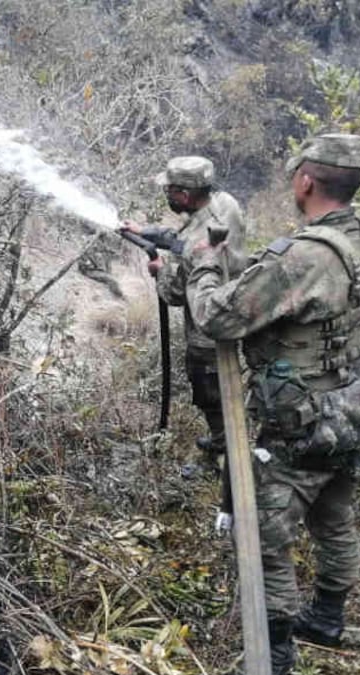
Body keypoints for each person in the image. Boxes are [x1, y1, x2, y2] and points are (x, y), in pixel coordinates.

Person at [184, 134, 360, 675]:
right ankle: (326, 618)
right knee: (334, 516)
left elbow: (219, 319)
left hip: (304, 420)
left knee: (266, 536)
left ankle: (273, 658)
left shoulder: (303, 256)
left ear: (305, 181)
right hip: (356, 408)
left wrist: (204, 265)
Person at [121, 156, 245, 457]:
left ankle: (225, 446)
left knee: (209, 391)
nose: (167, 195)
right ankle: (230, 437)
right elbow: (184, 239)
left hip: (207, 331)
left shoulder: (193, 246)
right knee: (231, 385)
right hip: (240, 311)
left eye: (171, 190)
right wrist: (145, 231)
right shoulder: (225, 204)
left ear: (185, 195)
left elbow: (175, 293)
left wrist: (159, 270)